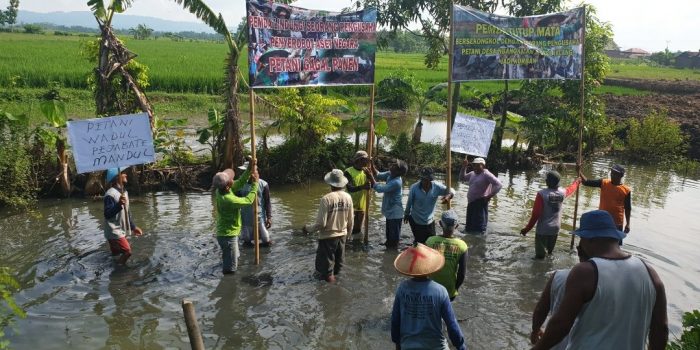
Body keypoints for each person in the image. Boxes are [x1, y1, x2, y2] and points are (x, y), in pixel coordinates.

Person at [532, 210, 668, 350]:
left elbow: (561, 325)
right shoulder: (650, 273)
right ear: (615, 238)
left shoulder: (585, 272)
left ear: (589, 239)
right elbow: (661, 329)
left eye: (581, 238)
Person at [391, 243, 467, 350]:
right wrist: (461, 346)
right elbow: (451, 325)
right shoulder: (440, 291)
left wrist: (398, 344)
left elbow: (395, 321)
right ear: (430, 266)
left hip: (408, 346)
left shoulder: (402, 289)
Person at [530, 238, 590, 349]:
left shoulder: (559, 276)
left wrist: (535, 331)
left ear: (579, 252)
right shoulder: (612, 283)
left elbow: (540, 310)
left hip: (557, 344)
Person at [302, 169, 353, 283]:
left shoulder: (326, 199)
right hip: (342, 236)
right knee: (337, 268)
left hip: (328, 238)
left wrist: (308, 229)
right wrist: (348, 236)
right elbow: (350, 221)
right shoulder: (348, 197)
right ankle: (338, 289)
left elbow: (321, 224)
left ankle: (332, 294)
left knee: (327, 271)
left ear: (330, 183)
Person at [520, 170, 581, 259]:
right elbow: (571, 189)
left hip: (543, 230)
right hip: (555, 229)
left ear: (547, 182)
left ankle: (539, 271)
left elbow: (536, 214)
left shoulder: (541, 194)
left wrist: (527, 229)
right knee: (549, 254)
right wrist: (577, 181)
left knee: (540, 257)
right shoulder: (562, 193)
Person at [213, 161, 258, 274]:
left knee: (232, 259)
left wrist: (249, 169)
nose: (233, 179)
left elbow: (240, 182)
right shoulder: (229, 199)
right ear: (228, 186)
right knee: (231, 269)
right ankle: (229, 287)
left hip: (225, 233)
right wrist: (255, 184)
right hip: (228, 236)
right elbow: (248, 200)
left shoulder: (220, 191)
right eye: (230, 179)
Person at [404, 167, 456, 244]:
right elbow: (409, 203)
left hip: (429, 221)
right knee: (419, 243)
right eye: (423, 179)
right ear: (421, 179)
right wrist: (406, 214)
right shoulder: (414, 188)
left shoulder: (436, 186)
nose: (426, 182)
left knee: (431, 243)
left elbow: (451, 190)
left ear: (431, 180)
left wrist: (448, 196)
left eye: (428, 180)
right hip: (416, 219)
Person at [103, 167, 143, 265]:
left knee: (116, 254)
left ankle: (111, 267)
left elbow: (127, 212)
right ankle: (118, 272)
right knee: (127, 252)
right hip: (113, 230)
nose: (126, 175)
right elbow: (107, 214)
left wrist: (133, 227)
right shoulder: (110, 194)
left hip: (120, 228)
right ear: (117, 177)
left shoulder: (124, 192)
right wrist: (119, 204)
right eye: (123, 173)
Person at [425, 210, 468, 301]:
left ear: (440, 224)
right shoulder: (462, 246)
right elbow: (462, 273)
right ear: (456, 226)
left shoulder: (430, 241)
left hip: (431, 286)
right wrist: (455, 288)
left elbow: (423, 266)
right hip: (449, 289)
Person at [366, 159, 408, 249]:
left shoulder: (397, 182)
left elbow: (379, 189)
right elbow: (378, 174)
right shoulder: (390, 174)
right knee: (389, 236)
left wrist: (370, 177)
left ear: (398, 171)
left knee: (393, 240)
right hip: (390, 211)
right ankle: (388, 250)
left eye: (394, 165)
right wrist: (371, 164)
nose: (392, 165)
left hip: (395, 213)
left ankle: (392, 254)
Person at [579, 164, 631, 233]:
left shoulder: (626, 190)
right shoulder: (604, 183)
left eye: (615, 174)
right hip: (602, 219)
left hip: (616, 223)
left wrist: (628, 224)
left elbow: (628, 208)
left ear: (621, 176)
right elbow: (586, 182)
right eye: (612, 173)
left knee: (614, 242)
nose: (612, 175)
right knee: (600, 241)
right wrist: (579, 171)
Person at [458, 157, 502, 233]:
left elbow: (499, 185)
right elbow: (462, 178)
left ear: (483, 166)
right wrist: (464, 167)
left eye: (478, 165)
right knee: (469, 226)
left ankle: (479, 242)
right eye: (474, 165)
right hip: (471, 203)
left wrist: (489, 195)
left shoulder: (486, 174)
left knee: (479, 228)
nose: (476, 167)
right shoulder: (472, 173)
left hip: (480, 203)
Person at [236, 163, 273, 248]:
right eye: (243, 171)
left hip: (260, 217)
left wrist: (269, 217)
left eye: (246, 171)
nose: (243, 173)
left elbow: (267, 202)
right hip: (245, 218)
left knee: (266, 241)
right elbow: (236, 202)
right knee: (247, 242)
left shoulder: (263, 184)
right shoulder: (240, 185)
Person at [344, 151, 371, 243]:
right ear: (359, 160)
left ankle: (356, 247)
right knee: (348, 229)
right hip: (350, 204)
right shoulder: (348, 171)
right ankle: (347, 245)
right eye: (365, 160)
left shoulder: (366, 171)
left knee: (358, 229)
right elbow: (350, 188)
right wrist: (363, 187)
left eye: (367, 160)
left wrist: (370, 178)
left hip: (362, 204)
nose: (366, 162)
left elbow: (372, 184)